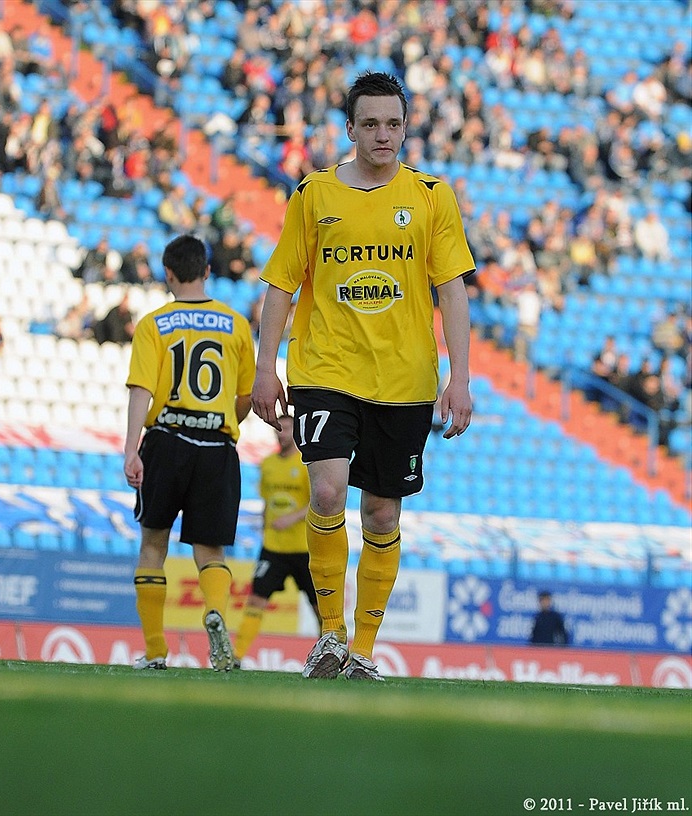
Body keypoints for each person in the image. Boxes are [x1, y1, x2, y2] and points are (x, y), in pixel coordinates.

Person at [251, 72, 475, 681]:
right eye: (370, 124)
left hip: (404, 380)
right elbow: (280, 284)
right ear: (350, 129)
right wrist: (266, 367)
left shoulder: (432, 196)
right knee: (325, 491)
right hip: (325, 368)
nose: (383, 134)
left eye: (393, 124)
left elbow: (451, 290)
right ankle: (329, 634)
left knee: (382, 513)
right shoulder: (314, 194)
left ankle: (364, 651)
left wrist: (460, 377)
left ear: (407, 127)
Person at [123, 234, 255, 672]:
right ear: (207, 271)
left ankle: (157, 650)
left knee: (153, 544)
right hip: (217, 444)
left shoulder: (153, 324)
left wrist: (131, 450)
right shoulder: (236, 324)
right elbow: (245, 398)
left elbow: (142, 387)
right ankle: (214, 611)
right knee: (210, 551)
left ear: (168, 274)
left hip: (167, 438)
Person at [233, 413, 321, 667]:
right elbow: (267, 501)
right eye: (277, 430)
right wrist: (265, 527)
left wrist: (291, 519)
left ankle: (330, 656)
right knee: (256, 600)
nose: (280, 434)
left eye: (285, 430)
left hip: (304, 549)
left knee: (319, 608)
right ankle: (236, 656)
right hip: (273, 547)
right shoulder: (268, 464)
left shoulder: (306, 464)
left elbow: (317, 503)